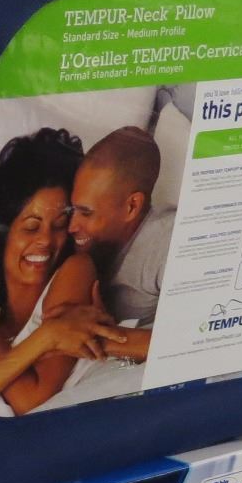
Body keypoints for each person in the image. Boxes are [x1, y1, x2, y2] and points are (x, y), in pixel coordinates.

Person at [0, 128, 129, 415]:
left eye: (59, 226)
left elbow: (31, 400)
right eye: (31, 227)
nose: (46, 240)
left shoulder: (75, 272)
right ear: (0, 233)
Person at [67, 126, 176, 361]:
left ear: (131, 207)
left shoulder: (168, 242)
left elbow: (194, 337)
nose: (71, 226)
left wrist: (100, 337)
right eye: (73, 209)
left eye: (86, 213)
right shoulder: (86, 243)